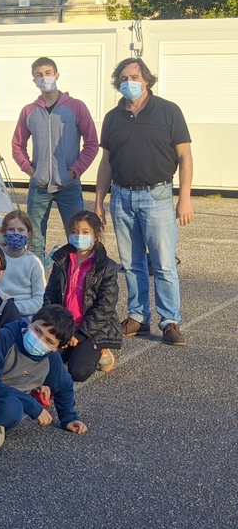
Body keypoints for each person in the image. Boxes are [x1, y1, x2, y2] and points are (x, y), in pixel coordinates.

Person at [94, 57, 192, 346]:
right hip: (121, 196)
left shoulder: (168, 111)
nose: (129, 83)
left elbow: (185, 157)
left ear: (146, 79)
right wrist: (99, 202)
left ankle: (170, 321)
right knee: (131, 263)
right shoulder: (113, 117)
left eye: (134, 77)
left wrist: (184, 197)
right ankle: (137, 317)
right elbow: (106, 163)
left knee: (163, 264)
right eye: (123, 78)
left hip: (158, 195)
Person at [12, 57, 100, 259]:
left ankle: (76, 283)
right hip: (39, 187)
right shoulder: (29, 111)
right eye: (39, 75)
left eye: (48, 73)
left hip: (69, 186)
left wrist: (74, 171)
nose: (44, 78)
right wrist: (31, 170)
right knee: (34, 242)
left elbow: (92, 144)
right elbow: (17, 145)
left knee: (78, 239)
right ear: (33, 80)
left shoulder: (76, 107)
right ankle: (38, 287)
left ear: (57, 75)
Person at [0, 306, 88, 443]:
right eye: (37, 331)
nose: (39, 340)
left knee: (13, 408)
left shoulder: (51, 359)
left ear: (56, 348)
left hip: (7, 403)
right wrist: (31, 405)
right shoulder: (5, 338)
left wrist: (69, 417)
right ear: (30, 322)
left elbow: (64, 386)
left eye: (49, 341)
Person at [44, 211, 121, 381]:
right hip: (65, 324)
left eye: (85, 232)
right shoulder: (62, 260)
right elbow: (50, 294)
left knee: (77, 372)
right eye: (74, 231)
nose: (79, 236)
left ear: (96, 234)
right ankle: (72, 348)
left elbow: (105, 307)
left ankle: (100, 350)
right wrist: (55, 325)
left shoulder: (107, 266)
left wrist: (79, 334)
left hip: (92, 329)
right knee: (43, 364)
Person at [0, 211, 45, 320]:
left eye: (21, 230)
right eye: (11, 229)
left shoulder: (34, 262)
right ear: (4, 232)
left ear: (29, 234)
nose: (16, 233)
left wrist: (12, 308)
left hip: (25, 315)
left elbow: (39, 299)